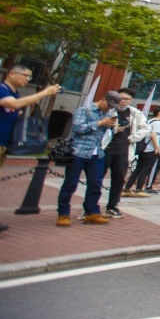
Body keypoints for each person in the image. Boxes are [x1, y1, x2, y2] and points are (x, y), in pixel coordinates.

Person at [0, 65, 62, 235]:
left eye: (29, 77)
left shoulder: (15, 94)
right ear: (11, 73)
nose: (27, 79)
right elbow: (13, 104)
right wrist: (44, 93)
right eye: (26, 75)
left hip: (2, 144)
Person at [57, 90, 122, 226]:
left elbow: (107, 133)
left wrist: (112, 127)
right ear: (103, 99)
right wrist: (99, 123)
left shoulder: (109, 114)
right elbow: (78, 128)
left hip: (97, 153)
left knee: (96, 184)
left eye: (113, 107)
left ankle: (92, 212)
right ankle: (63, 213)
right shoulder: (85, 110)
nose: (110, 108)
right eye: (109, 105)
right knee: (70, 184)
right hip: (78, 152)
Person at [98, 88, 148, 219]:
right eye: (121, 99)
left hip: (123, 150)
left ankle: (112, 207)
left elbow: (146, 128)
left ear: (130, 100)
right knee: (96, 178)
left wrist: (132, 138)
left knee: (119, 179)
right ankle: (91, 207)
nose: (123, 101)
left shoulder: (135, 113)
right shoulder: (108, 110)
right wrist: (114, 129)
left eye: (127, 99)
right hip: (105, 148)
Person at [127, 106, 160, 196]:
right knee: (145, 170)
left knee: (138, 169)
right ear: (159, 113)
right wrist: (157, 148)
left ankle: (127, 187)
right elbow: (153, 136)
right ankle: (139, 189)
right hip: (150, 150)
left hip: (143, 148)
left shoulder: (149, 121)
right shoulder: (157, 123)